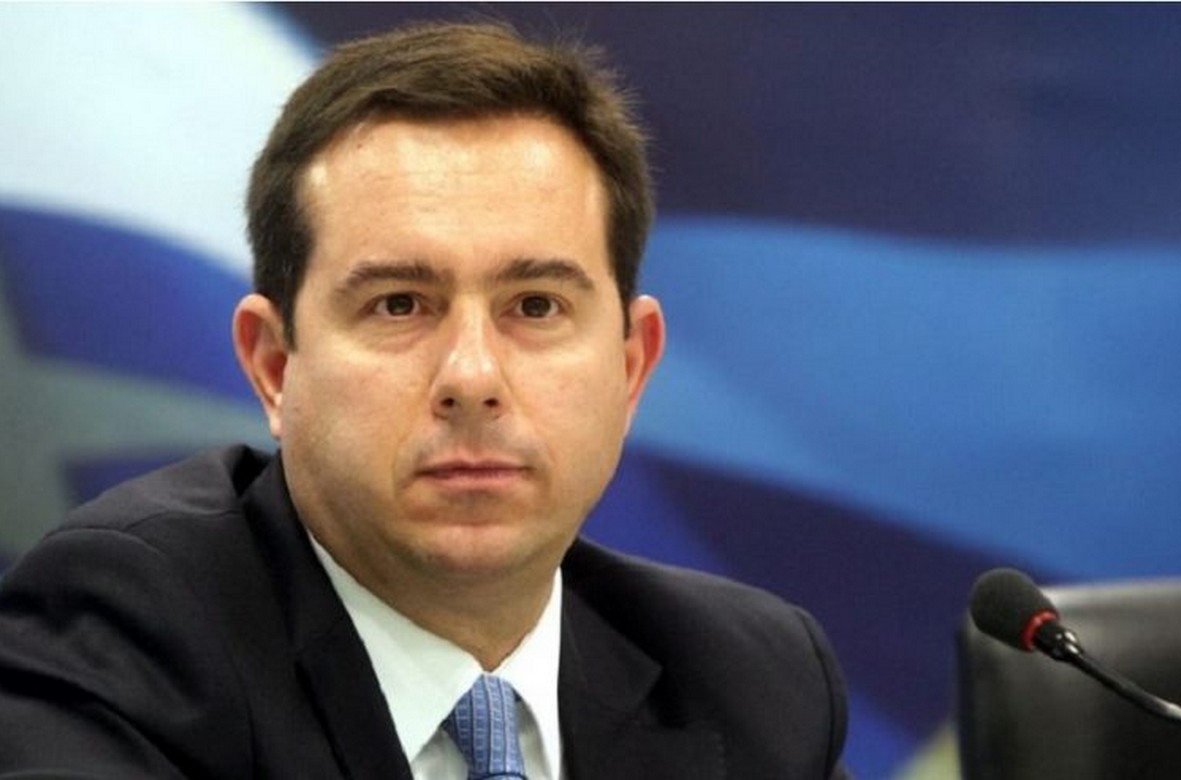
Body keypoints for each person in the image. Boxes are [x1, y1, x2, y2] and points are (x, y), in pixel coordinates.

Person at [0, 21, 848, 779]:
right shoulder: (127, 635)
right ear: (274, 366)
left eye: (536, 306)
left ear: (631, 368)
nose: (472, 377)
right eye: (399, 304)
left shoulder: (750, 681)